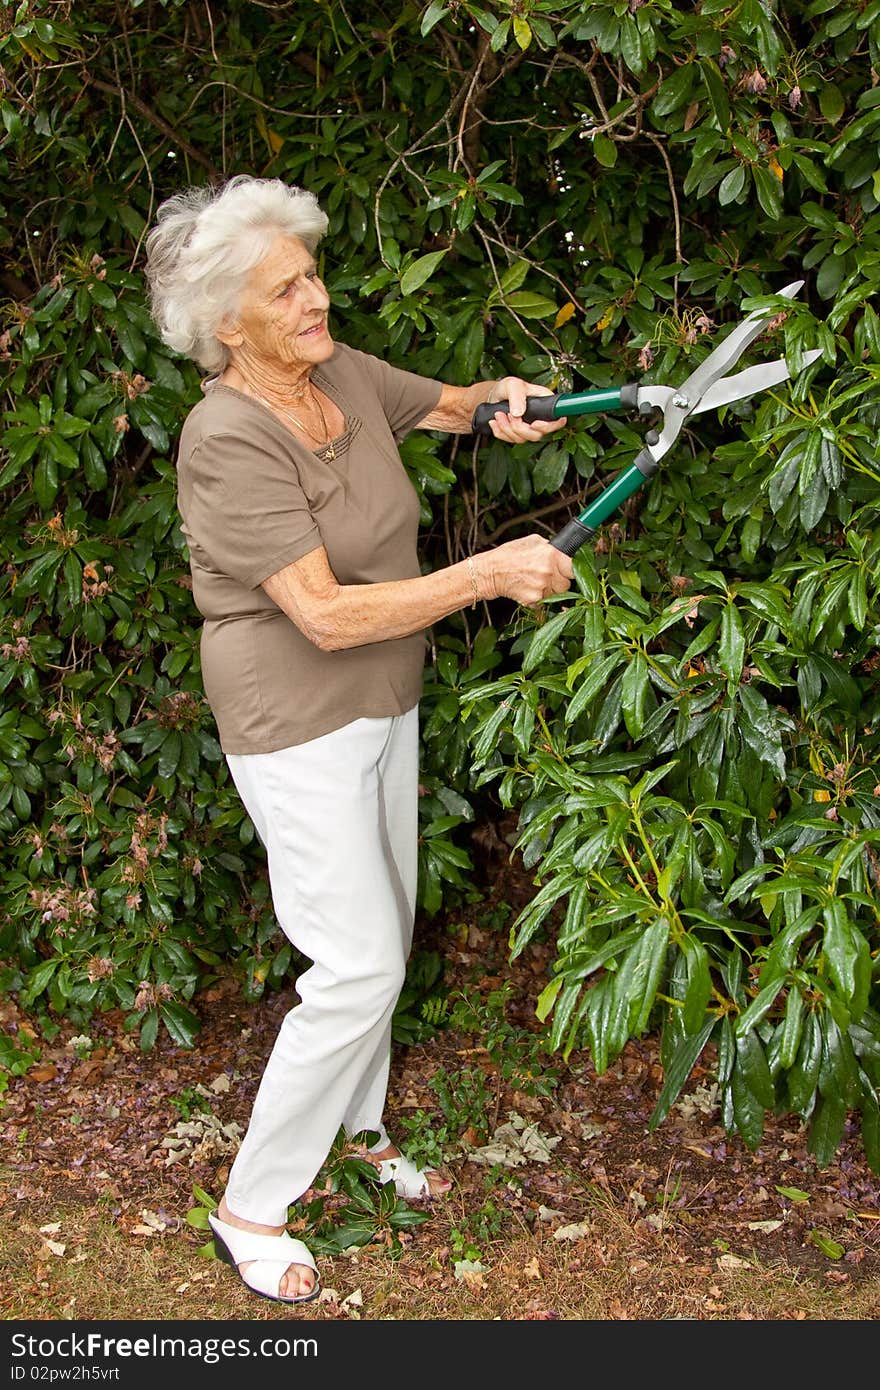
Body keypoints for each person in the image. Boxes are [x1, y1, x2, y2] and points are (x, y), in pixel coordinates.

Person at [143, 174, 573, 1305]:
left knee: (386, 916)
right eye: (285, 290)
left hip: (388, 697)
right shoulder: (224, 435)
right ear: (226, 323)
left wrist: (503, 402)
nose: (315, 298)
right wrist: (487, 573)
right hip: (293, 717)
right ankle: (251, 1204)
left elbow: (448, 402)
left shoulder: (335, 373)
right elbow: (324, 614)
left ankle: (363, 1129)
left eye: (312, 273)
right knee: (359, 958)